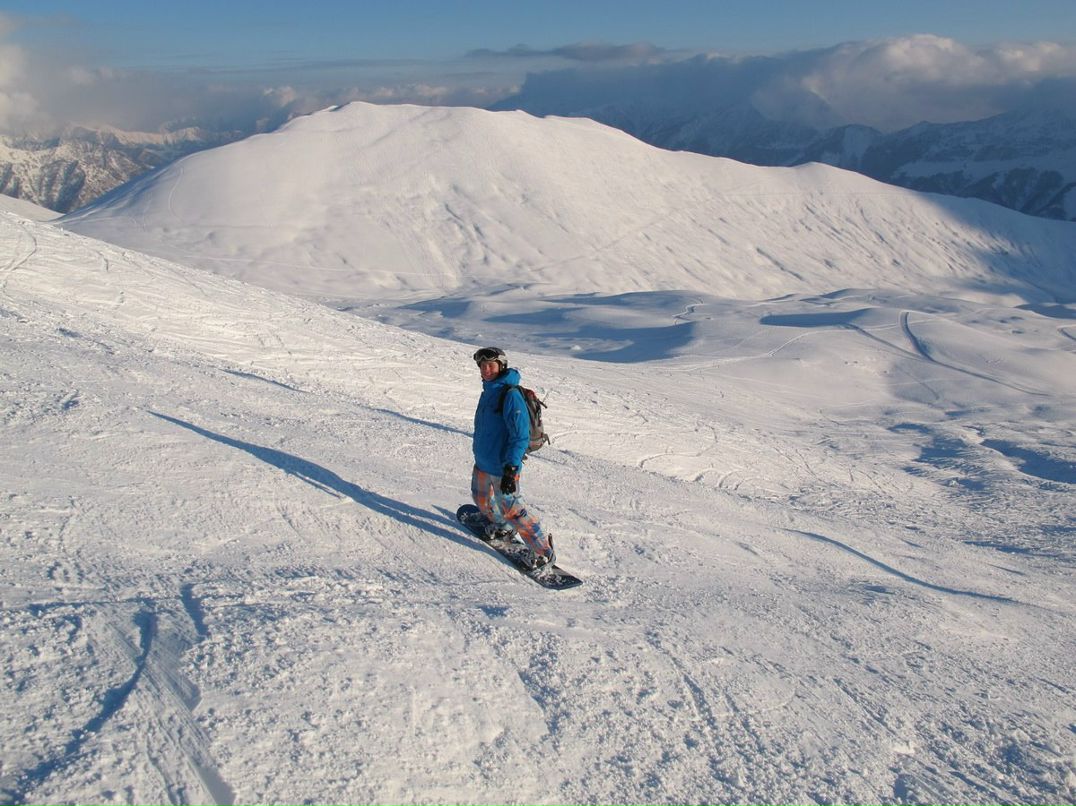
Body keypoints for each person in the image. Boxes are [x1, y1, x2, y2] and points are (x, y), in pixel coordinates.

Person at [470, 346, 556, 570]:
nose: (487, 370)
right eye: (483, 366)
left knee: (512, 510)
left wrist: (511, 468)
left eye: (491, 365)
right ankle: (501, 526)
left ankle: (542, 552)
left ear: (501, 366)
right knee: (481, 499)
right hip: (483, 461)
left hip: (503, 466)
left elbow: (520, 436)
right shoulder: (488, 391)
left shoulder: (511, 395)